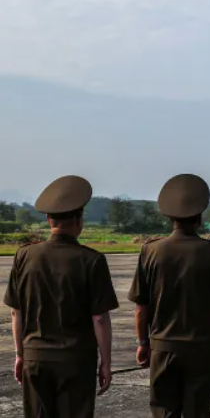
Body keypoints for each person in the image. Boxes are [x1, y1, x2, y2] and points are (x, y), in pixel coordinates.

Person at [3, 175, 119, 418]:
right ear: (79, 221)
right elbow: (99, 319)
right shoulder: (92, 260)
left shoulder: (24, 256)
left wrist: (20, 354)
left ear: (48, 220)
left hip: (36, 358)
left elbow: (17, 312)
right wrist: (106, 362)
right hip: (76, 361)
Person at [128, 174, 210, 418]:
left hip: (163, 347)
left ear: (170, 218)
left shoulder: (151, 251)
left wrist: (142, 343)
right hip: (203, 349)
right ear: (199, 218)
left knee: (163, 411)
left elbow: (141, 306)